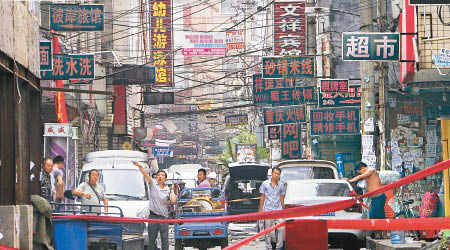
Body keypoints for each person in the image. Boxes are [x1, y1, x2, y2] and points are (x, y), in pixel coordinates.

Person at [133, 162, 176, 250]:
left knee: (165, 240)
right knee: (152, 240)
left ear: (165, 178)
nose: (160, 176)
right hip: (153, 217)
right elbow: (145, 174)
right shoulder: (152, 184)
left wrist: (172, 189)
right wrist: (139, 166)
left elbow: (173, 201)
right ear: (156, 177)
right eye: (158, 175)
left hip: (164, 217)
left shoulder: (167, 189)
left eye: (162, 175)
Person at [345, 161, 385, 239]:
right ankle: (378, 234)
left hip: (379, 197)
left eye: (360, 172)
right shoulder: (368, 173)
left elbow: (360, 177)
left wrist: (349, 181)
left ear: (362, 168)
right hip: (375, 198)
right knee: (378, 215)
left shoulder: (371, 170)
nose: (360, 174)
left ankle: (378, 234)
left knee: (374, 215)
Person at [259, 167, 285, 250]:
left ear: (280, 175)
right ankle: (269, 247)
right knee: (268, 231)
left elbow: (281, 198)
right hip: (268, 210)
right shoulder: (265, 184)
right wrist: (261, 210)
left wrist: (283, 209)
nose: (276, 175)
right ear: (272, 174)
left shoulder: (281, 185)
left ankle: (279, 247)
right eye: (275, 173)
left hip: (278, 210)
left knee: (282, 228)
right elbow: (262, 197)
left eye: (278, 174)